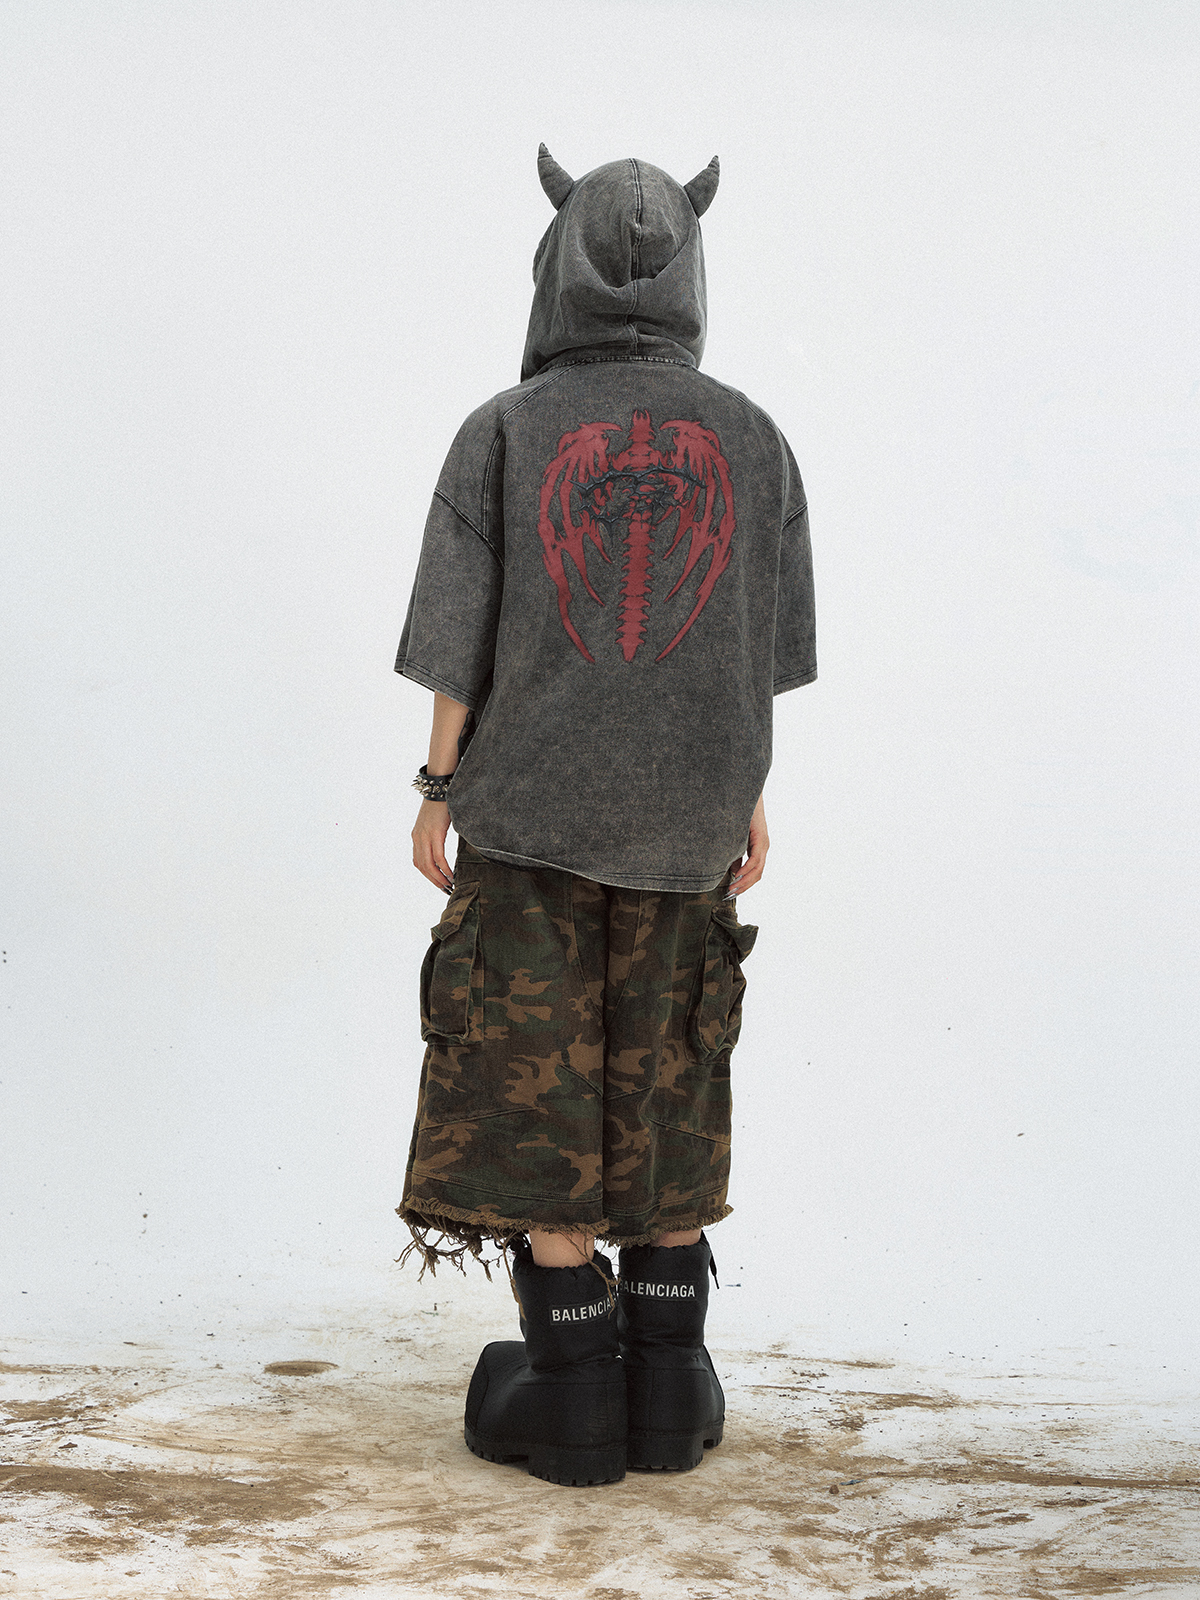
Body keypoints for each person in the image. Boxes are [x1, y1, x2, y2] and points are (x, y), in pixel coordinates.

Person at [393, 147, 816, 1486]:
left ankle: (573, 1387)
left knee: (540, 1080)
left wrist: (437, 788)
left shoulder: (505, 431)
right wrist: (745, 794)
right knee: (668, 1074)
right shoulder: (755, 439)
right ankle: (670, 1384)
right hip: (692, 823)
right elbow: (750, 648)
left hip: (528, 817)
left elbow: (458, 637)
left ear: (558, 267)